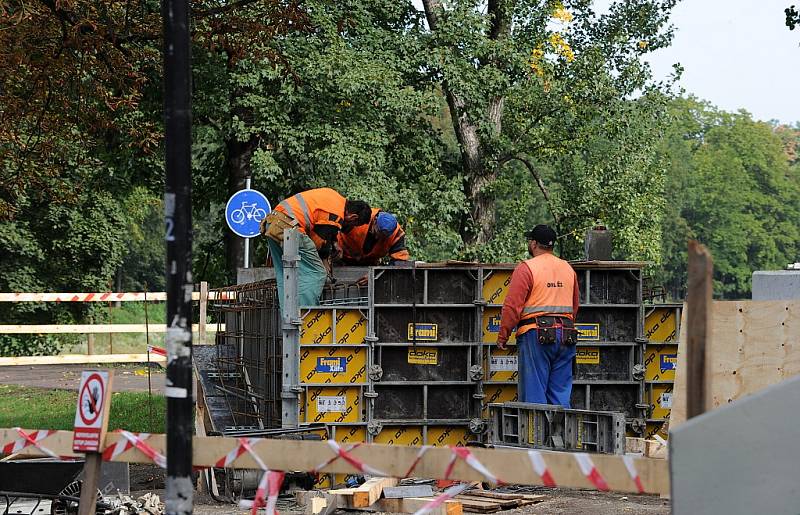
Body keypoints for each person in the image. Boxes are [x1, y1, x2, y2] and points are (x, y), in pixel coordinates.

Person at [496, 225, 580, 407]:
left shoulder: (526, 268)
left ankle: (536, 436)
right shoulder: (568, 269)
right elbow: (574, 306)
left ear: (534, 243)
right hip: (567, 335)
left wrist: (503, 335)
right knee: (560, 396)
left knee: (534, 396)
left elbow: (512, 306)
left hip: (537, 335)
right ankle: (560, 434)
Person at [260, 188, 371, 309]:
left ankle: (288, 319)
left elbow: (321, 227)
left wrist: (333, 244)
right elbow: (317, 242)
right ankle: (307, 318)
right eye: (354, 225)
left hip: (273, 224)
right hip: (289, 227)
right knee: (316, 273)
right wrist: (324, 263)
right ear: (353, 217)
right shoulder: (336, 215)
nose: (350, 228)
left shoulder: (334, 197)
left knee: (285, 274)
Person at [337, 209, 410, 266]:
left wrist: (376, 273)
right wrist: (335, 245)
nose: (378, 237)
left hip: (369, 264)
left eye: (383, 237)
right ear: (374, 220)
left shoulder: (397, 235)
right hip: (342, 258)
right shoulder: (360, 216)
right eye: (377, 232)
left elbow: (400, 261)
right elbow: (334, 227)